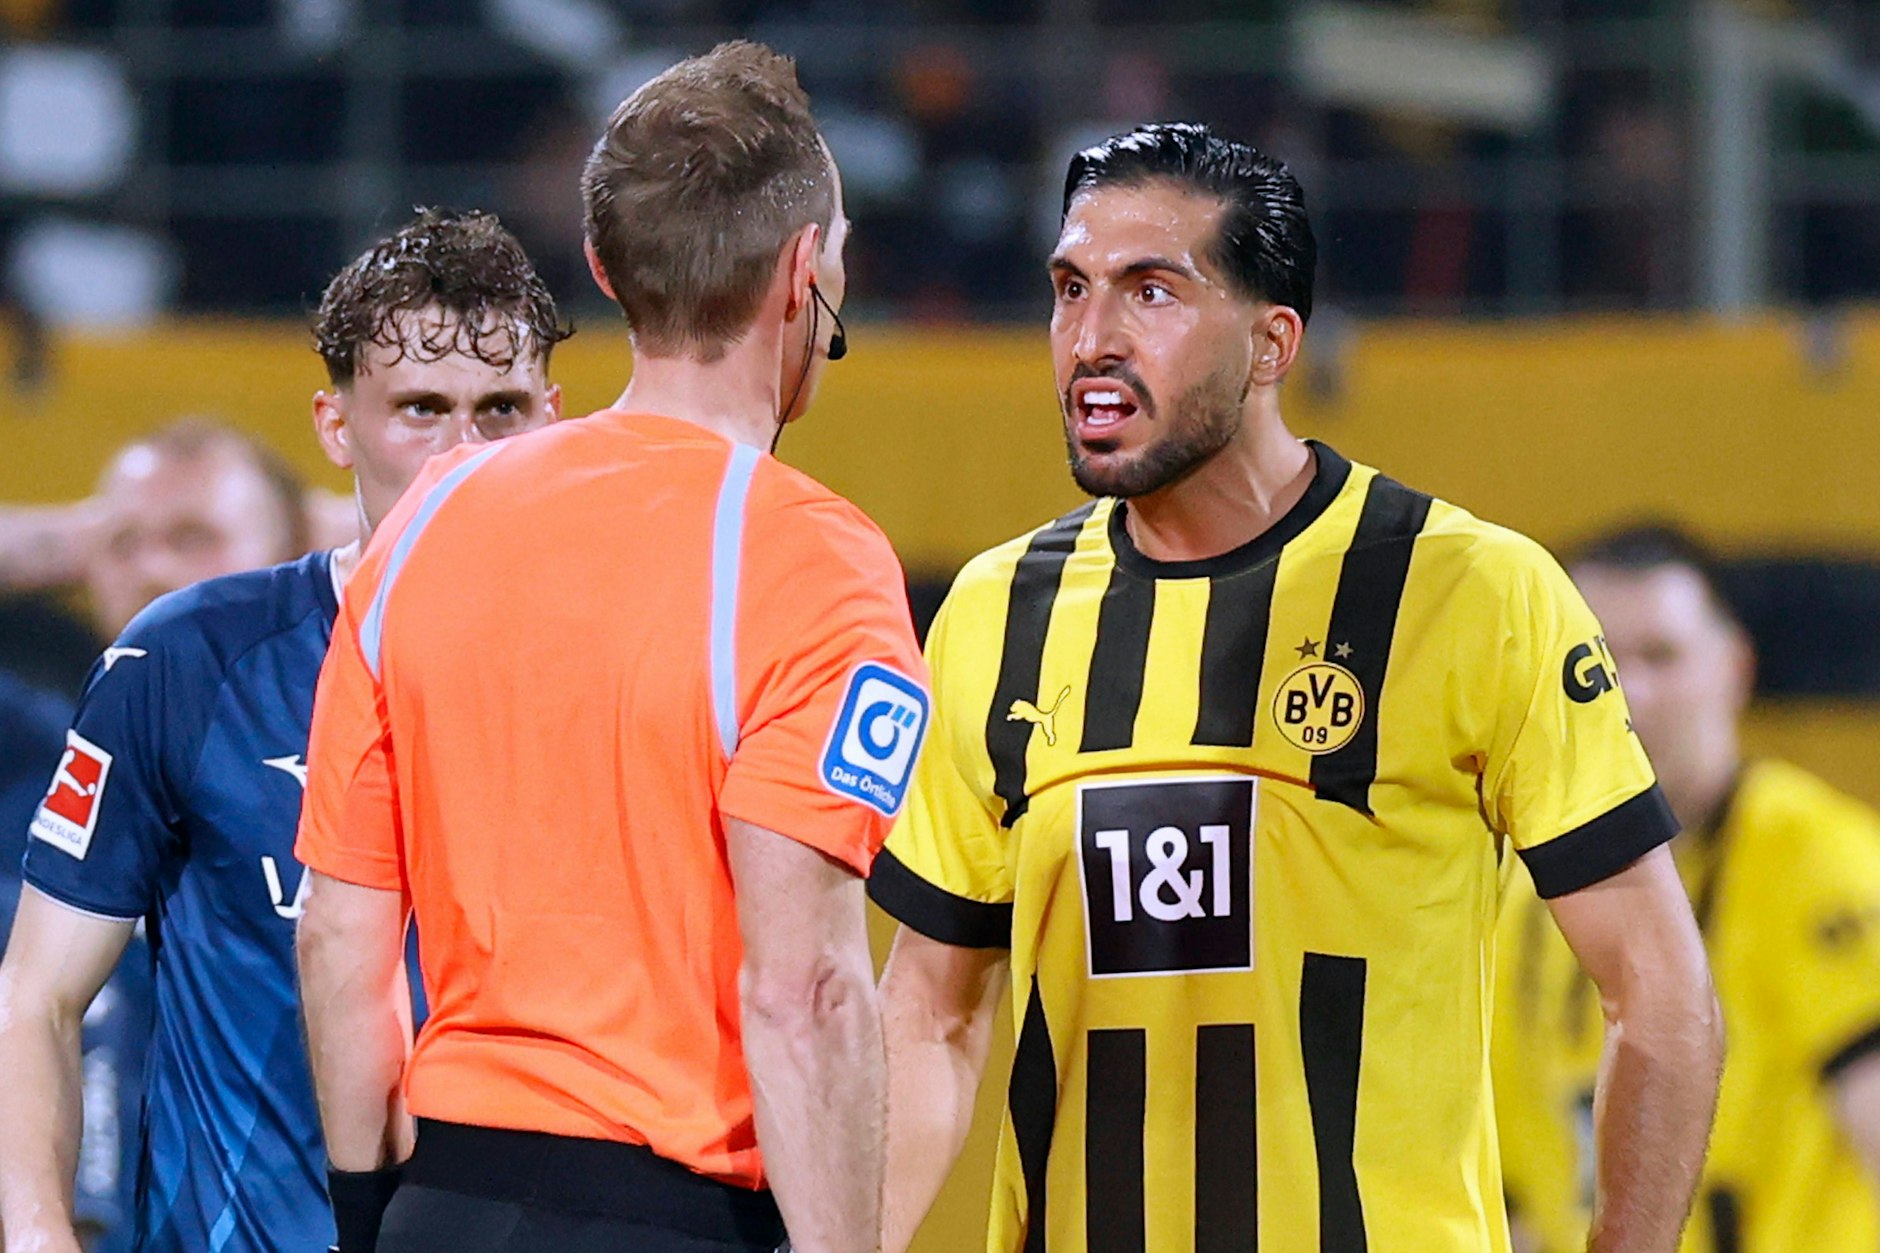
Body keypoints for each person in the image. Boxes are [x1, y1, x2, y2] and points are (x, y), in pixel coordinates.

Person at [869, 122, 1722, 1253]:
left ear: (1271, 344)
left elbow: (1658, 995)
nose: (1090, 337)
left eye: (1150, 293)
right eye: (1069, 289)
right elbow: (925, 1015)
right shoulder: (994, 613)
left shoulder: (1465, 590)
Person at [294, 41, 924, 1253]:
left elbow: (339, 928)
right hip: (668, 1211)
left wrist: (371, 1215)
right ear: (804, 271)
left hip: (442, 1203)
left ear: (601, 262)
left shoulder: (425, 517)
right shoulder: (810, 558)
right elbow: (806, 992)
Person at [0, 207, 568, 1253]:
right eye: (420, 408)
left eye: (499, 407)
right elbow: (36, 994)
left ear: (553, 415)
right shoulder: (184, 662)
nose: (463, 448)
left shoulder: (613, 665)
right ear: (335, 425)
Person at [1494, 524, 1880, 1253]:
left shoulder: (1812, 858)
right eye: (1598, 660)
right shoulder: (1516, 898)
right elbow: (1517, 1208)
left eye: (1661, 656)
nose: (1628, 692)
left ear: (1735, 669)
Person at [0, 417, 311, 641]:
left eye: (193, 539)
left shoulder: (347, 718)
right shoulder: (47, 722)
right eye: (123, 544)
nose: (152, 571)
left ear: (290, 555)